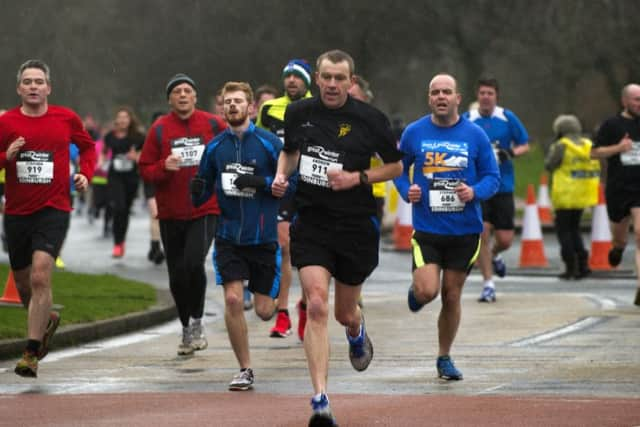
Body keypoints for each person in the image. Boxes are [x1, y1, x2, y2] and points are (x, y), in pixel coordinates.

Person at [272, 49, 403, 427]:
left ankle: (356, 330)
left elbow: (395, 166)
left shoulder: (370, 119)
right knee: (315, 305)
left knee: (344, 311)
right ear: (317, 77)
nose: (332, 85)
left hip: (354, 225)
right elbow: (290, 153)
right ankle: (320, 401)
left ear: (351, 81)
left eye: (339, 78)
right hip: (312, 222)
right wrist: (283, 175)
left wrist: (356, 179)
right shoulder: (299, 113)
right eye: (326, 77)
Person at [394, 73, 499, 382]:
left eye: (447, 92)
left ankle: (444, 357)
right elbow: (397, 170)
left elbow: (492, 176)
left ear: (457, 97)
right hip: (427, 228)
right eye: (435, 92)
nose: (441, 96)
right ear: (429, 98)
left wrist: (474, 192)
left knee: (451, 295)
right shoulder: (415, 132)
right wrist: (406, 190)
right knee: (428, 291)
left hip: (465, 230)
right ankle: (417, 292)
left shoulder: (475, 134)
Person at [0, 59, 96, 377]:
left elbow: (88, 148)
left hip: (54, 209)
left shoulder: (65, 118)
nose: (33, 86)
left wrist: (85, 173)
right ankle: (46, 321)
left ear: (48, 88)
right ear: (19, 89)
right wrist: (6, 156)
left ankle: (30, 353)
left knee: (42, 276)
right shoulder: (7, 122)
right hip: (16, 213)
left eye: (38, 81)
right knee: (26, 286)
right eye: (27, 81)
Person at [192, 81, 287, 391]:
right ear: (222, 108)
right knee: (233, 299)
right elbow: (203, 187)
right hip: (228, 236)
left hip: (263, 238)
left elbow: (293, 182)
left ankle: (278, 304)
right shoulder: (215, 147)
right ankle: (244, 368)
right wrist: (197, 190)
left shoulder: (270, 143)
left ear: (251, 108)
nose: (232, 106)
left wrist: (262, 181)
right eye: (227, 102)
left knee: (263, 311)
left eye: (238, 101)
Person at [139, 73, 226, 355]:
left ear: (195, 96)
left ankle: (198, 322)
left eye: (188, 90)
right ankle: (186, 327)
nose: (183, 95)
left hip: (205, 207)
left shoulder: (213, 124)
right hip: (171, 212)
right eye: (177, 91)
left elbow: (235, 147)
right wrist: (164, 167)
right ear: (170, 99)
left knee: (192, 263)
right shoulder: (160, 129)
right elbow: (145, 169)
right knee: (176, 274)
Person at [257, 58, 312, 340]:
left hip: (312, 186)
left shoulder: (319, 107)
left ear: (308, 81)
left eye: (298, 77)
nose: (292, 81)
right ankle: (283, 312)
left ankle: (306, 307)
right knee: (284, 246)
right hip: (281, 184)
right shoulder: (269, 109)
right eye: (288, 76)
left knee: (308, 252)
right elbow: (260, 143)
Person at [465, 77, 529, 303]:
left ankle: (494, 256)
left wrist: (510, 153)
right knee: (482, 232)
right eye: (482, 93)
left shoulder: (507, 118)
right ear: (477, 95)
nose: (485, 97)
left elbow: (524, 144)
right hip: (479, 186)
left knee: (505, 239)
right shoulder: (468, 119)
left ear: (496, 96)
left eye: (489, 93)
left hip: (503, 185)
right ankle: (488, 285)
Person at [591, 83, 640, 306]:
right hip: (619, 188)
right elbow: (594, 153)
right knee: (620, 237)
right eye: (636, 99)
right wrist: (618, 148)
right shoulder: (612, 125)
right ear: (625, 101)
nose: (639, 103)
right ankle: (618, 249)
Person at [545, 115, 600, 279]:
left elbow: (549, 165)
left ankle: (571, 267)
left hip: (565, 194)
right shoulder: (588, 145)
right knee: (575, 229)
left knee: (564, 231)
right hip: (583, 194)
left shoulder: (562, 145)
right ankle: (583, 265)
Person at [103, 107, 145, 258]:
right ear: (116, 120)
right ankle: (117, 243)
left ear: (130, 119)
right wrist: (101, 162)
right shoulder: (110, 136)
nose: (122, 120)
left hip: (131, 177)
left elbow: (146, 153)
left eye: (125, 117)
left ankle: (121, 242)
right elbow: (104, 152)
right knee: (118, 207)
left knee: (125, 210)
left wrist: (137, 156)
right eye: (119, 117)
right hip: (115, 176)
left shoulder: (138, 137)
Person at [348, 74, 386, 224]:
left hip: (371, 196)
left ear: (365, 98)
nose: (349, 100)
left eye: (353, 96)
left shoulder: (377, 124)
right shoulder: (335, 124)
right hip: (339, 195)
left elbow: (392, 162)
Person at [143, 111, 166, 265]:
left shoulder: (174, 139)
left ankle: (159, 246)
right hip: (151, 182)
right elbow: (142, 161)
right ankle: (155, 247)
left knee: (166, 217)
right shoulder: (148, 141)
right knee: (155, 214)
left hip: (168, 182)